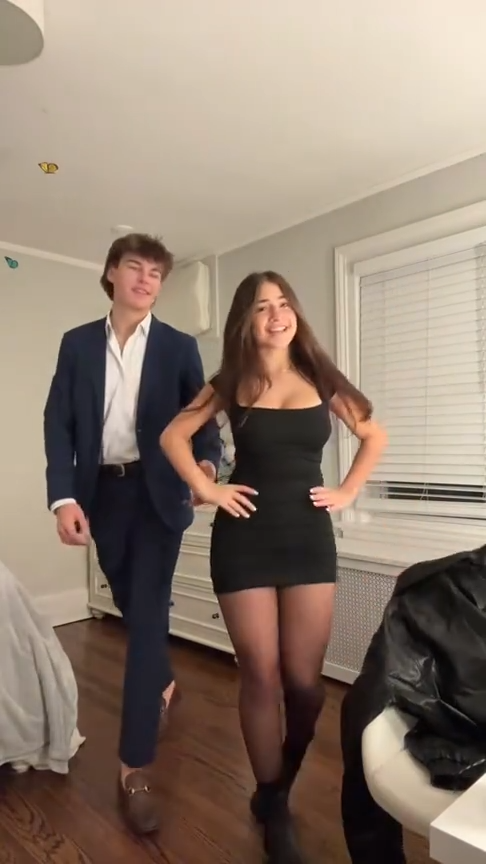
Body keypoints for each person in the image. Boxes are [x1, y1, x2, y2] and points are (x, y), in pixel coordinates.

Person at [160, 271, 387, 864]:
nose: (276, 314)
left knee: (305, 685)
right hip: (244, 539)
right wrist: (208, 490)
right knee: (260, 676)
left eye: (283, 303)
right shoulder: (228, 382)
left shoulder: (320, 375)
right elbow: (174, 436)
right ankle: (273, 802)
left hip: (308, 539)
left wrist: (347, 491)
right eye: (262, 307)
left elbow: (373, 434)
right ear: (246, 320)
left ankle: (280, 778)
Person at [43, 233, 221, 835]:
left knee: (146, 619)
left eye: (156, 273)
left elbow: (203, 418)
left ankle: (134, 767)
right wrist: (63, 497)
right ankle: (162, 681)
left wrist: (207, 466)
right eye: (135, 268)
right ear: (112, 275)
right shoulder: (76, 344)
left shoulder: (177, 346)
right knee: (128, 601)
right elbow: (59, 422)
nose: (146, 280)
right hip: (102, 493)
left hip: (158, 492)